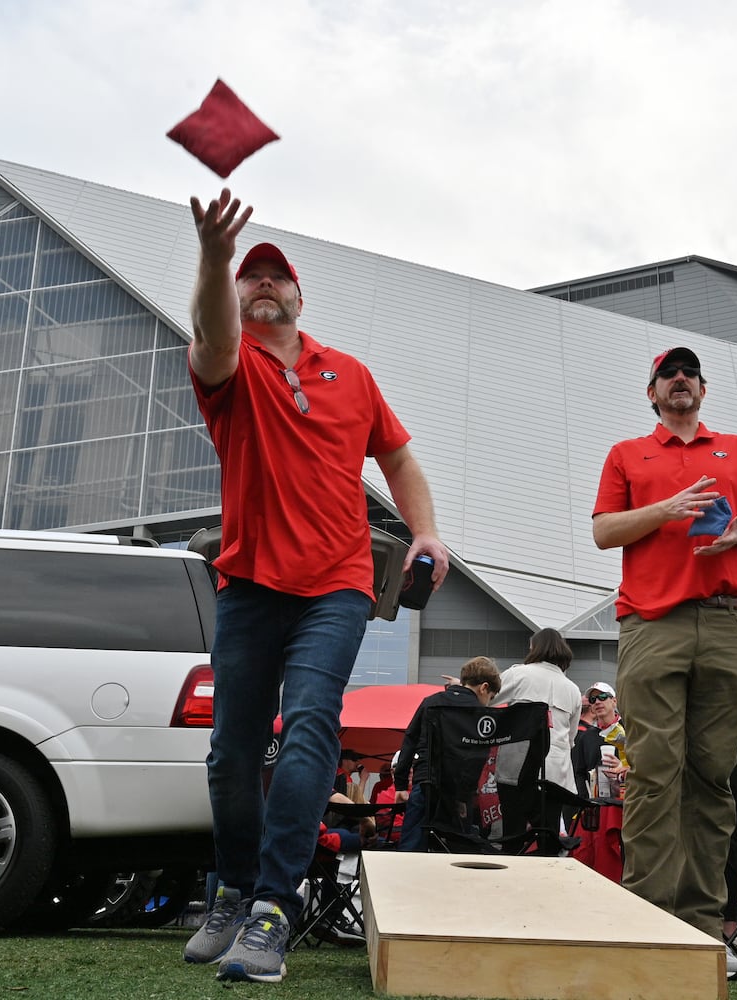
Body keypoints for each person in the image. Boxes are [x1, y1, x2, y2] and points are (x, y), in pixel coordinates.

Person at [182, 189, 450, 984]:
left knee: (308, 725)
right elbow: (209, 332)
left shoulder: (352, 376)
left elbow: (397, 458)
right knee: (232, 753)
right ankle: (232, 888)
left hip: (337, 581)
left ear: (300, 295)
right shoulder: (230, 367)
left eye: (275, 278)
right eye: (250, 279)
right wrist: (214, 256)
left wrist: (425, 530)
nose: (263, 285)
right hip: (250, 582)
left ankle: (272, 906)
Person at [591, 346, 737, 971]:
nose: (680, 380)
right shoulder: (627, 453)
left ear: (702, 390)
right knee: (654, 767)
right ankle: (644, 919)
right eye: (668, 374)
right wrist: (665, 511)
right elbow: (603, 531)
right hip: (651, 622)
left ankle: (703, 929)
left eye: (690, 373)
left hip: (729, 622)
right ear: (652, 392)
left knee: (712, 773)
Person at [393, 656, 502, 851]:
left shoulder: (432, 702)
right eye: (491, 697)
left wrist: (401, 784)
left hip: (425, 782)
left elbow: (410, 739)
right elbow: (479, 757)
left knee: (410, 848)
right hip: (458, 793)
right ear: (484, 688)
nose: (488, 703)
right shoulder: (480, 713)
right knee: (456, 848)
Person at [494, 628, 584, 799]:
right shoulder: (573, 689)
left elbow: (488, 697)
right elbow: (570, 738)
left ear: (534, 648)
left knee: (514, 823)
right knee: (549, 824)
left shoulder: (518, 674)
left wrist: (464, 686)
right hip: (557, 774)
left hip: (517, 767)